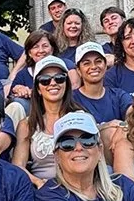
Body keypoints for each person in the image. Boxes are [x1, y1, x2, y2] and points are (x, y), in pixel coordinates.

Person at [12, 56, 86, 188]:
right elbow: (18, 166)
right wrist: (38, 182)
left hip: (77, 186)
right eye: (45, 80)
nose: (53, 83)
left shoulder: (81, 118)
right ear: (38, 89)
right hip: (42, 189)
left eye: (59, 78)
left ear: (66, 84)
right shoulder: (27, 125)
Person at [72, 42, 134, 162]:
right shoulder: (71, 99)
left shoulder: (118, 95)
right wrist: (107, 127)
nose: (94, 66)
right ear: (79, 70)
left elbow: (133, 115)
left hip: (117, 154)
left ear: (105, 66)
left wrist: (123, 127)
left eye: (98, 61)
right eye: (86, 63)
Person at [4, 30, 79, 128]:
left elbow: (74, 89)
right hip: (33, 115)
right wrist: (19, 89)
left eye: (45, 46)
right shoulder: (22, 74)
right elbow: (12, 96)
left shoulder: (65, 66)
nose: (41, 50)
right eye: (35, 47)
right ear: (29, 53)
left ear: (52, 49)